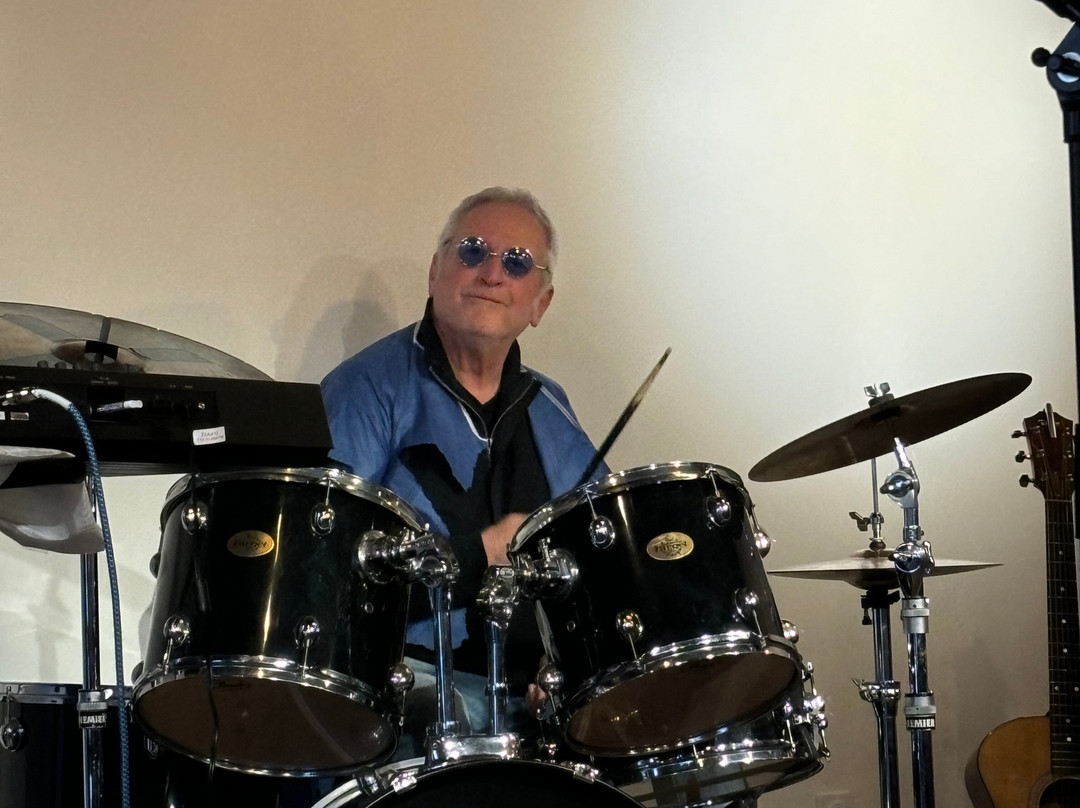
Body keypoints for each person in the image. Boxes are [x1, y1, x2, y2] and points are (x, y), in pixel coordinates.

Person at [320, 187, 606, 752]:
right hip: (413, 690)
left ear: (540, 304)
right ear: (436, 272)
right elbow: (326, 571)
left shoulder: (553, 407)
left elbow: (601, 558)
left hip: (537, 704)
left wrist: (571, 661)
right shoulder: (367, 386)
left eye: (517, 263)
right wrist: (481, 554)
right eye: (473, 251)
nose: (492, 273)